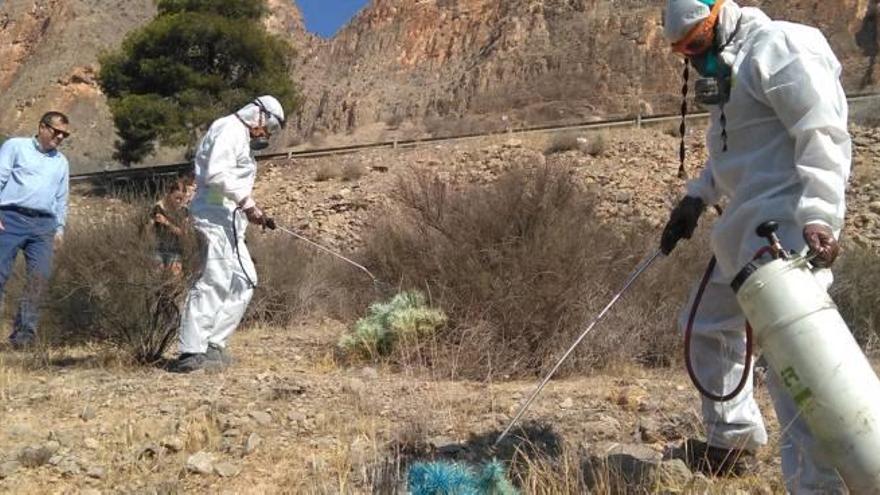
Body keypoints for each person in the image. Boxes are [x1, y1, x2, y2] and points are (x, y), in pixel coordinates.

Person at [661, 0, 852, 492]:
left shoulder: (783, 46)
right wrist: (696, 198)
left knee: (797, 367)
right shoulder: (729, 69)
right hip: (743, 234)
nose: (693, 59)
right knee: (705, 326)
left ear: (719, 17)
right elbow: (734, 150)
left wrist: (819, 217)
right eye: (683, 53)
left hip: (788, 231)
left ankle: (819, 485)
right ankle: (732, 440)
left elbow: (822, 132)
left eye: (696, 45)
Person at [170, 96, 283, 373]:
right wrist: (247, 204)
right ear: (258, 115)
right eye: (268, 126)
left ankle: (213, 346)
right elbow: (217, 174)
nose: (267, 133)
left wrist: (246, 209)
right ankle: (190, 352)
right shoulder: (229, 129)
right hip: (212, 217)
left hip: (229, 221)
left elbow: (232, 182)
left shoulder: (241, 138)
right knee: (214, 279)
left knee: (245, 279)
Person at [0, 112, 70, 349]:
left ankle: (23, 337)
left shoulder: (61, 161)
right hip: (10, 217)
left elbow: (61, 198)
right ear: (41, 127)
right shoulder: (15, 147)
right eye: (55, 131)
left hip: (43, 225)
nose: (59, 137)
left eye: (64, 134)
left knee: (38, 279)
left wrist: (59, 229)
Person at [149, 181, 189, 276]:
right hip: (158, 248)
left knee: (176, 276)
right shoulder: (158, 208)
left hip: (175, 249)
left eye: (181, 199)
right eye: (176, 198)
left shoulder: (183, 211)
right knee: (157, 275)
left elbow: (183, 233)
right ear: (169, 194)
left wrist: (166, 223)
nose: (179, 201)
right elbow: (148, 229)